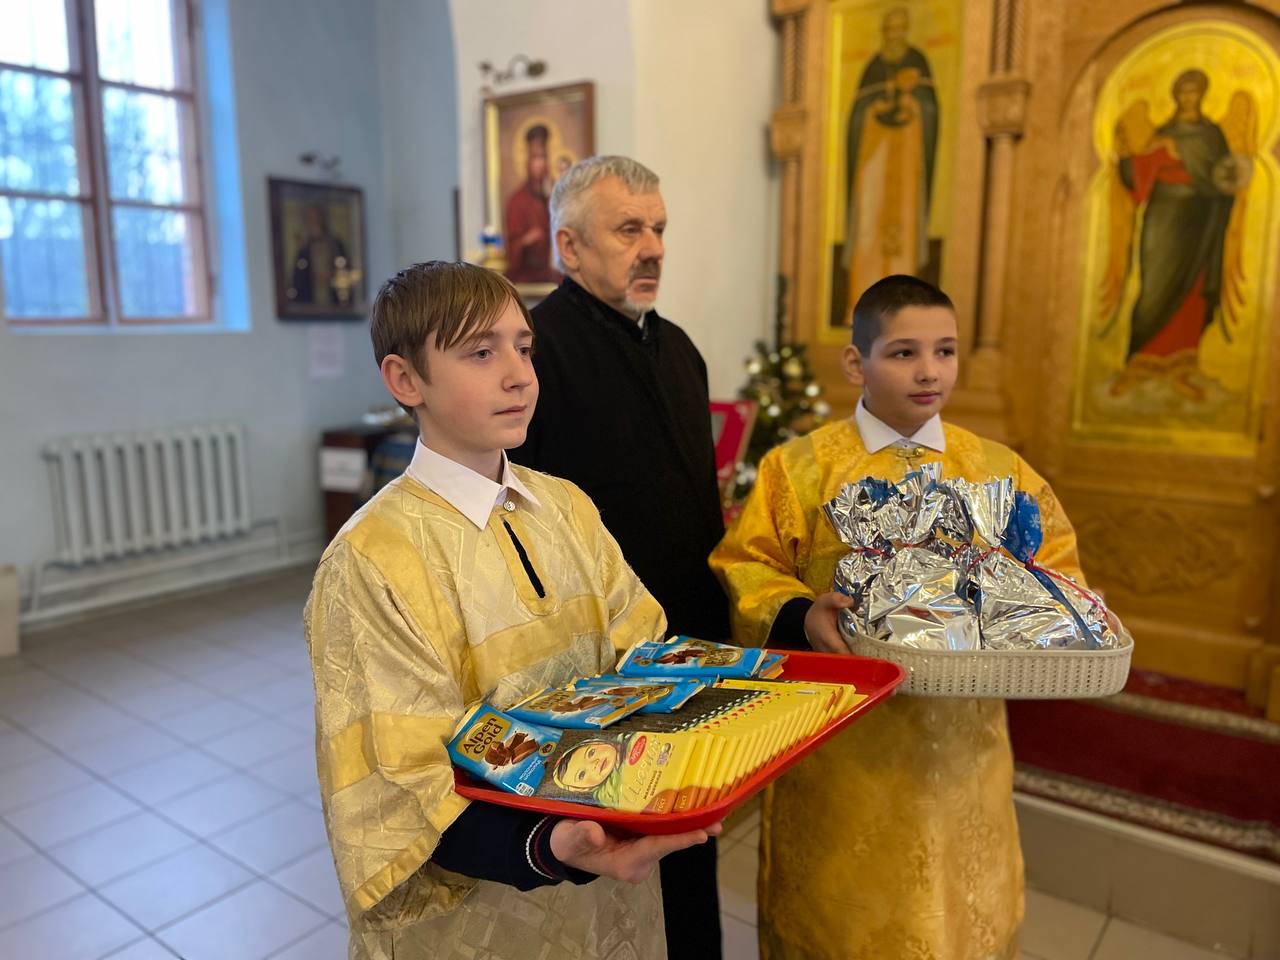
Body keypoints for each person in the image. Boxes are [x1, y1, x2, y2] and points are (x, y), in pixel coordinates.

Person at [304, 260, 718, 960]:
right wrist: (549, 843)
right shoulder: (373, 558)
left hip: (608, 873)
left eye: (523, 348)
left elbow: (644, 654)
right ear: (405, 380)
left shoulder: (565, 505)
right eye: (480, 353)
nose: (520, 375)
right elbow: (396, 784)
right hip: (487, 911)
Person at [709, 274, 1087, 959]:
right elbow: (746, 565)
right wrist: (801, 614)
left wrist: (1035, 617)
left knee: (961, 918)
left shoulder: (998, 470)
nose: (929, 371)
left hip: (963, 747)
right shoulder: (800, 469)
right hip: (843, 750)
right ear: (857, 362)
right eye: (904, 352)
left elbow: (1056, 570)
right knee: (838, 925)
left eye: (945, 351)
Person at [510, 155, 729, 960]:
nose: (653, 248)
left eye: (659, 229)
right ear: (569, 247)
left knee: (691, 843)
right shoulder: (535, 356)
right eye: (629, 229)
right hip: (599, 669)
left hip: (691, 649)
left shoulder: (679, 349)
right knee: (612, 869)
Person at [841, 6, 938, 317]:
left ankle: (904, 313)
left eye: (900, 29)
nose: (894, 36)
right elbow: (857, 117)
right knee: (868, 228)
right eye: (889, 30)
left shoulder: (918, 63)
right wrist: (877, 108)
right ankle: (863, 308)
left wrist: (910, 102)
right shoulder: (872, 68)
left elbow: (931, 112)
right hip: (874, 161)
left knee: (904, 231)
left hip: (907, 164)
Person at [503, 124, 559, 284]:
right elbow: (512, 249)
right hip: (527, 276)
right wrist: (526, 240)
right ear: (527, 161)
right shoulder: (517, 201)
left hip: (552, 274)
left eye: (544, 157)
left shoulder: (556, 197)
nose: (541, 164)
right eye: (535, 158)